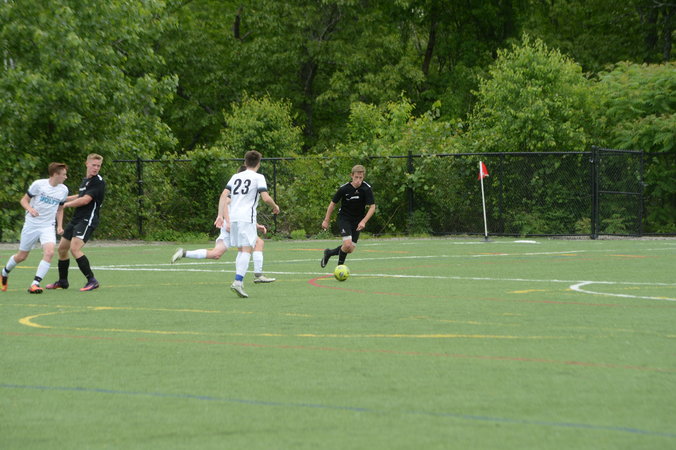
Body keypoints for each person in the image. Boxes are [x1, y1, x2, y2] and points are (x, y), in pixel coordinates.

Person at [170, 165, 275, 283]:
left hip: (231, 225)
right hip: (231, 225)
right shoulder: (239, 191)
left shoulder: (239, 189)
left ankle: (184, 253)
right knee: (257, 243)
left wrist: (256, 225)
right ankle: (257, 275)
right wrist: (228, 221)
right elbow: (226, 202)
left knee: (216, 254)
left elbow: (240, 214)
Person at [1, 163, 69, 293]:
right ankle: (4, 272)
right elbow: (23, 200)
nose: (66, 177)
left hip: (48, 226)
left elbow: (60, 209)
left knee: (49, 252)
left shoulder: (63, 190)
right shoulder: (38, 184)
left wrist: (59, 226)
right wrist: (30, 209)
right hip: (31, 225)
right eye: (64, 174)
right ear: (55, 174)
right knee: (22, 256)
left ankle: (35, 284)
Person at [45, 153, 105, 292]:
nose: (96, 168)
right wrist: (62, 198)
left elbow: (85, 200)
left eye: (98, 166)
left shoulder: (98, 181)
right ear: (87, 164)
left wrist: (65, 205)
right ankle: (63, 281)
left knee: (75, 248)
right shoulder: (86, 181)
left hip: (87, 219)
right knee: (62, 249)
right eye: (93, 165)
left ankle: (92, 280)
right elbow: (80, 195)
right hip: (76, 219)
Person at [225, 150, 279, 298]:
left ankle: (240, 281)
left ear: (245, 162)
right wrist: (275, 206)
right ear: (258, 163)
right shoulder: (258, 177)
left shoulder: (235, 176)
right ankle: (238, 281)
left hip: (233, 217)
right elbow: (265, 197)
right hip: (246, 218)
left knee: (241, 250)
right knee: (247, 249)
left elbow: (225, 195)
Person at [320, 164, 376, 268]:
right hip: (344, 218)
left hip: (358, 221)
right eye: (356, 177)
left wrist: (363, 221)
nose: (358, 180)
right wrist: (326, 220)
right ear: (351, 176)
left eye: (360, 178)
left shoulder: (366, 189)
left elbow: (372, 207)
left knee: (350, 249)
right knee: (347, 244)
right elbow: (332, 204)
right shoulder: (344, 189)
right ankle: (340, 268)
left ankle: (329, 253)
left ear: (363, 177)